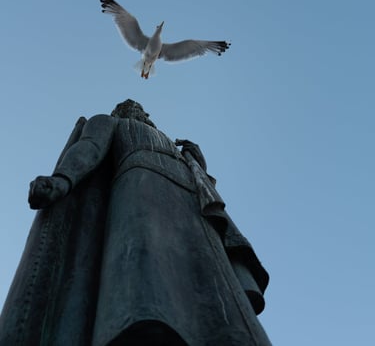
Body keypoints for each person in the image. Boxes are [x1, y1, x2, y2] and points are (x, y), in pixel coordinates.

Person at [0, 100, 271, 346]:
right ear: (119, 111)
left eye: (141, 109)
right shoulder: (109, 122)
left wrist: (196, 159)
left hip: (192, 207)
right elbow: (90, 148)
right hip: (141, 191)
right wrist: (63, 178)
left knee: (217, 299)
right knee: (146, 290)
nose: (137, 110)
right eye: (130, 106)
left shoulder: (165, 139)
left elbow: (204, 180)